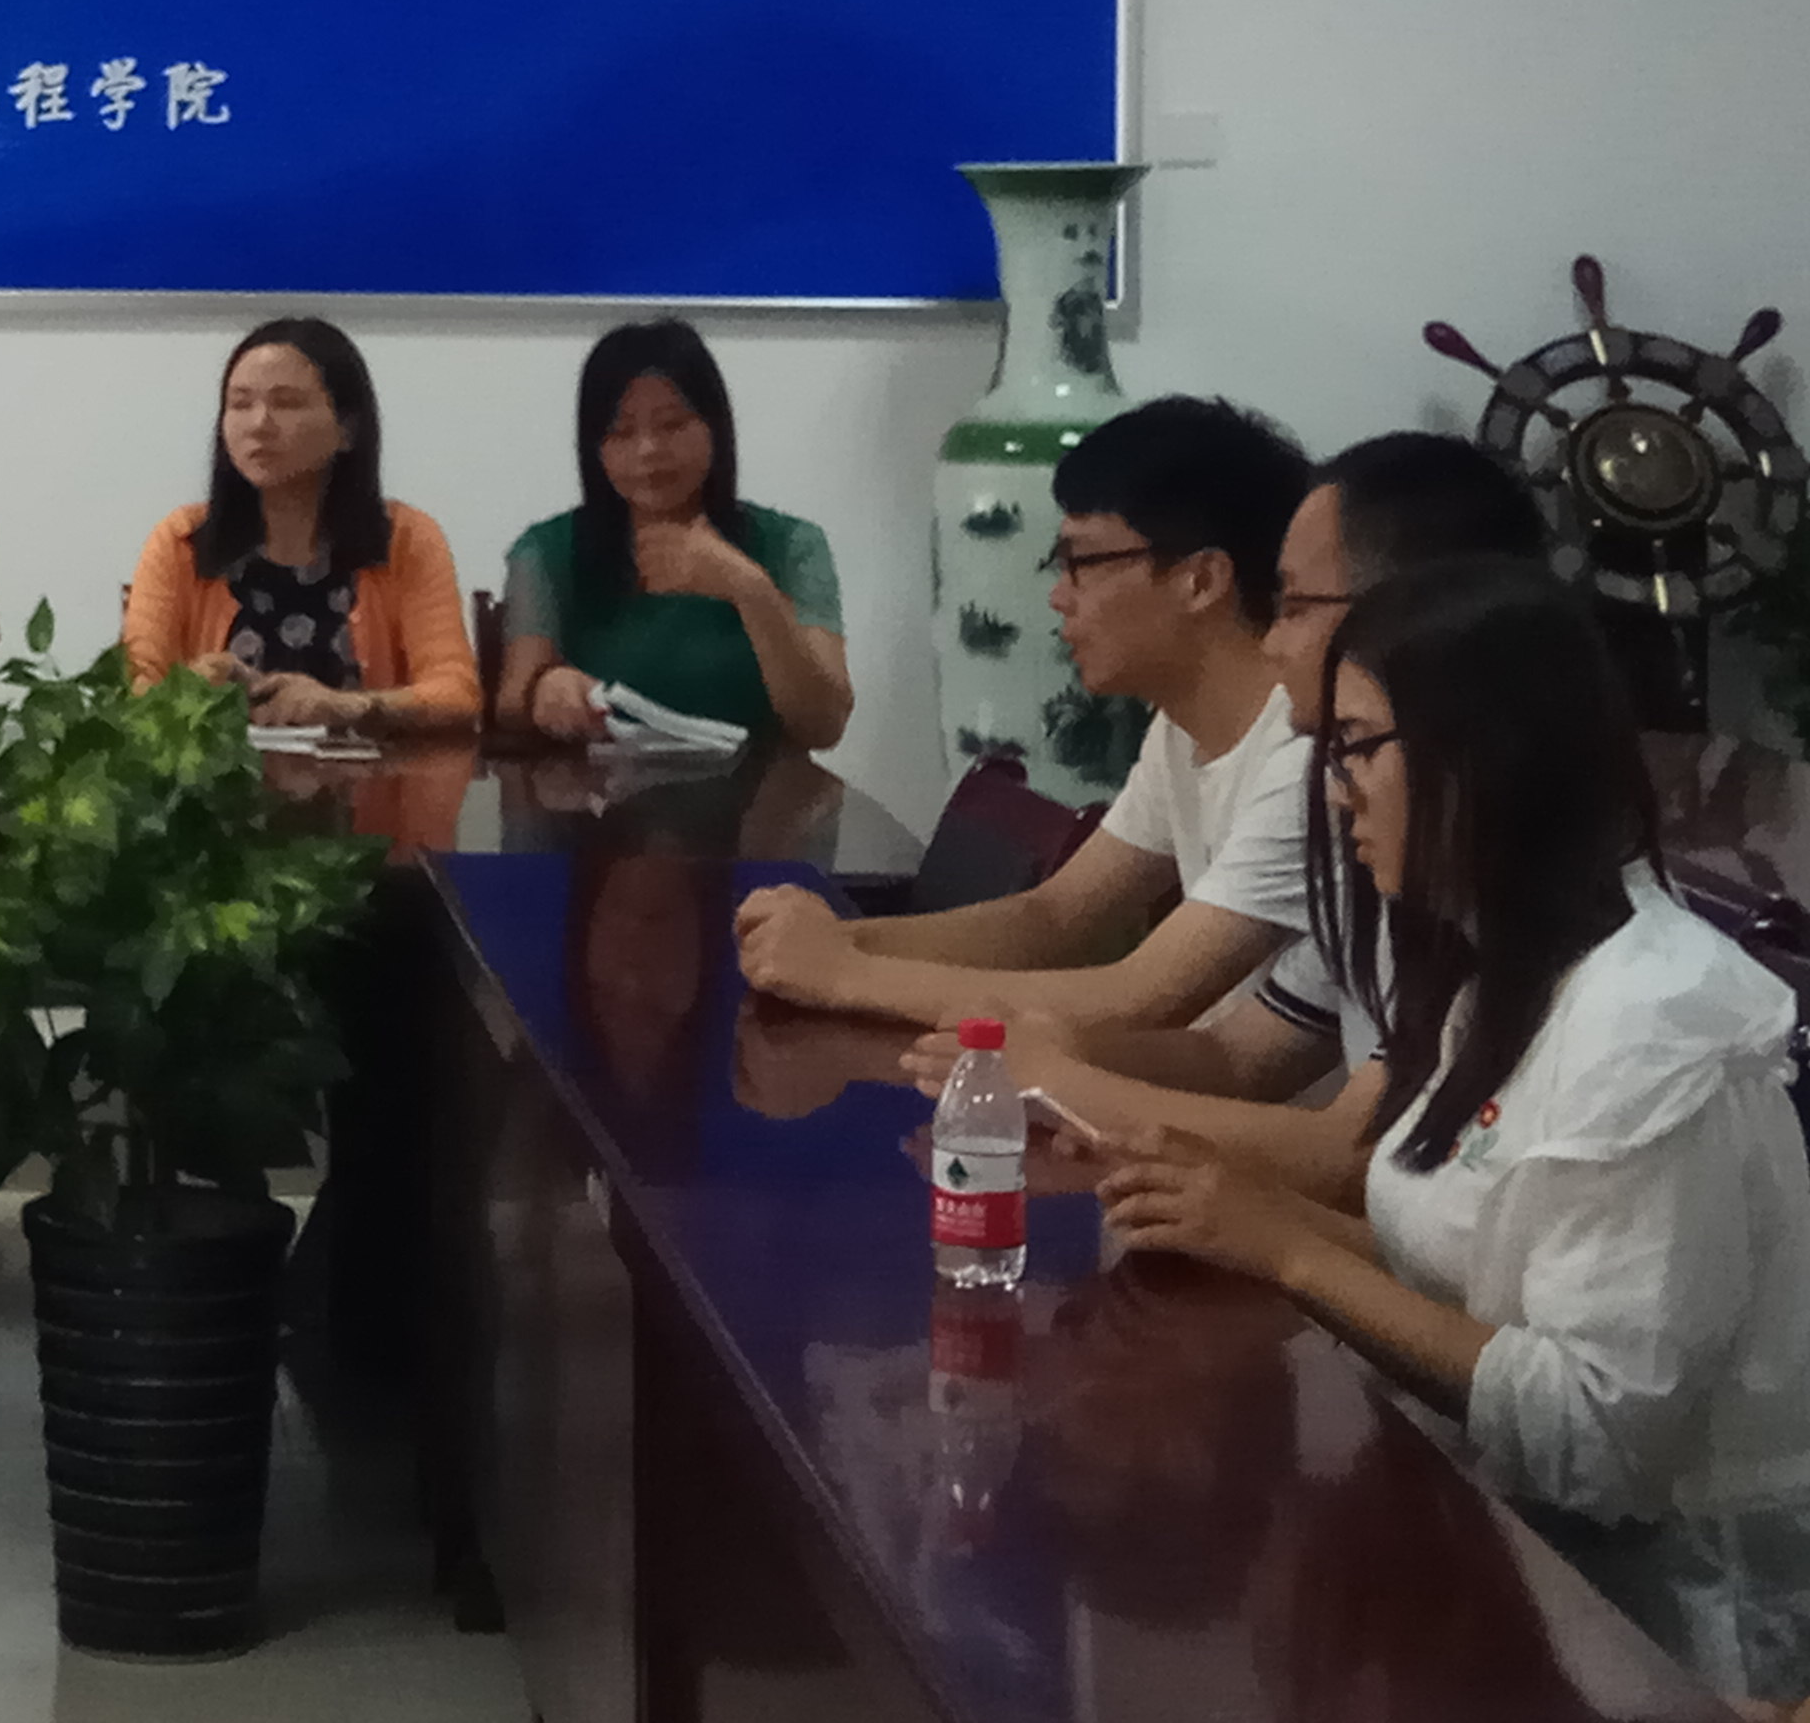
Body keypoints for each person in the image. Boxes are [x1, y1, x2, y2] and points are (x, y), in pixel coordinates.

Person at [1099, 561, 1810, 1704]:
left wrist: (1288, 1251)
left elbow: (1591, 1442)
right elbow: (1469, 1275)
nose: (1336, 794)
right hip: (1507, 1552)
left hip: (1667, 1632)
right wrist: (1243, 1218)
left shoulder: (1650, 1025)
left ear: (1484, 755)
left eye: (1355, 749)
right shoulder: (1491, 963)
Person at [902, 430, 1546, 1171]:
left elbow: (1351, 1155)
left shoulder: (1447, 845)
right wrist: (1054, 1059)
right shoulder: (1369, 810)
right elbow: (1240, 1056)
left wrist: (1064, 1079)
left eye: (1295, 606)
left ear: (1422, 617)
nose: (1272, 643)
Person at [735, 392, 1312, 1033]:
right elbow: (1054, 916)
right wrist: (836, 940)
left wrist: (843, 972)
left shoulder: (1303, 759)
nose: (1058, 597)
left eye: (1081, 563)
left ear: (1200, 581)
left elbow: (1141, 995)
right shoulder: (1180, 727)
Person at [499, 320, 851, 748]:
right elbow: (510, 706)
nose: (648, 449)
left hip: (761, 789)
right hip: (604, 789)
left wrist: (751, 590)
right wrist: (545, 687)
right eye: (621, 432)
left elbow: (823, 727)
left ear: (715, 427)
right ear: (594, 448)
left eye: (672, 424)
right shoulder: (547, 549)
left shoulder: (793, 544)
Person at [122, 318, 479, 734]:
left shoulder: (406, 538)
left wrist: (349, 707)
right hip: (224, 776)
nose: (259, 423)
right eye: (240, 404)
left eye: (287, 403)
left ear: (348, 429)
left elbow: (456, 694)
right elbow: (132, 691)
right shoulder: (182, 539)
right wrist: (191, 688)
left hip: (369, 775)